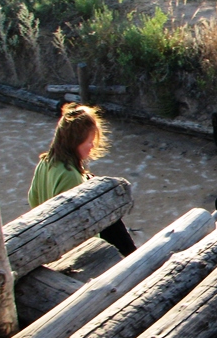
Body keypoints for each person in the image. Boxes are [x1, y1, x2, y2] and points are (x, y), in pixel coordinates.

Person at [28, 103, 137, 256]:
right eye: (89, 141)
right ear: (75, 142)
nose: (92, 146)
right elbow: (80, 225)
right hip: (71, 249)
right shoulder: (70, 176)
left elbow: (33, 199)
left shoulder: (46, 162)